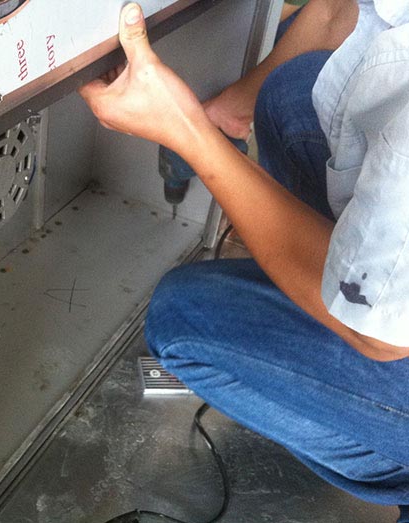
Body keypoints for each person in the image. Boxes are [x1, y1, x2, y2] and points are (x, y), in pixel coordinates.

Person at [78, 0, 409, 520]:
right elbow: (339, 8)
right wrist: (223, 116)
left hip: (390, 337)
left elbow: (381, 335)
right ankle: (291, 331)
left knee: (183, 319)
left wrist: (187, 131)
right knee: (289, 94)